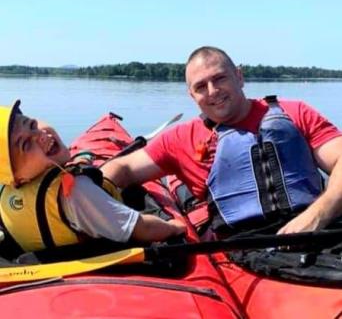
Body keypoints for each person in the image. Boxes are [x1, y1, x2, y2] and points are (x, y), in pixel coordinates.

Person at [101, 46, 342, 236]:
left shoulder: (296, 112)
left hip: (321, 232)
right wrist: (84, 193)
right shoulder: (180, 139)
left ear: (239, 76)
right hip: (243, 250)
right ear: (192, 95)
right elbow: (123, 168)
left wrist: (318, 215)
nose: (213, 91)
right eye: (201, 86)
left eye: (219, 78)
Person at [0, 100, 185, 255]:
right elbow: (142, 229)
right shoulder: (75, 192)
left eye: (32, 125)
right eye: (25, 144)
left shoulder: (6, 191)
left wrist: (78, 163)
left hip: (52, 247)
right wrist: (174, 227)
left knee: (108, 173)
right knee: (115, 176)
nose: (39, 135)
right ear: (17, 177)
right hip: (94, 251)